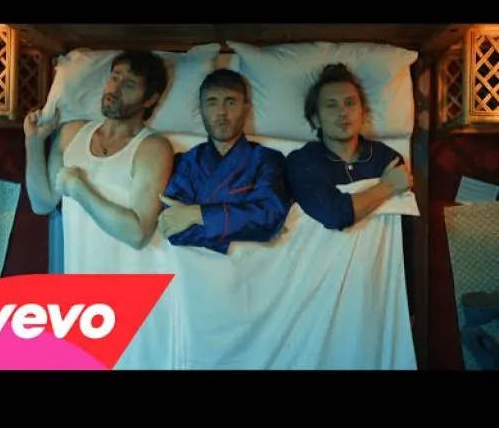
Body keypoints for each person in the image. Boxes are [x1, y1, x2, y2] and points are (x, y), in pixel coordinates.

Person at [286, 63, 415, 320]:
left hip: (376, 287)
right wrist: (387, 186)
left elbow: (404, 237)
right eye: (331, 105)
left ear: (362, 112)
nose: (342, 112)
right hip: (319, 290)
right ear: (315, 118)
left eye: (349, 103)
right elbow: (334, 214)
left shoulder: (385, 159)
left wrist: (410, 304)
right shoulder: (302, 162)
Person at [24, 50, 174, 272]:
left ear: (150, 99)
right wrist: (34, 142)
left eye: (129, 85)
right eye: (114, 77)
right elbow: (42, 203)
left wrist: (79, 190)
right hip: (78, 279)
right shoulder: (72, 132)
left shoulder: (153, 148)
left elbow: (138, 234)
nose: (115, 89)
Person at [158, 68, 292, 254]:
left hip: (252, 266)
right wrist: (249, 232)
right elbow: (173, 227)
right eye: (212, 102)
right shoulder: (186, 163)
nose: (221, 112)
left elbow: (268, 217)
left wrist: (197, 214)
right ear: (201, 110)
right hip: (192, 266)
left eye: (231, 102)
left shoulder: (267, 160)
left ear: (246, 108)